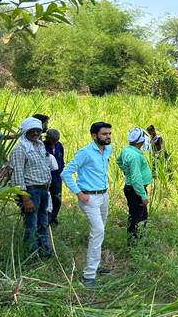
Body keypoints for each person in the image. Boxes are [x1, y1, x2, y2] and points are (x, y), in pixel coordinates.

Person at [61, 122, 113, 288]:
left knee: (100, 231)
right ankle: (88, 275)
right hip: (89, 198)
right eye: (104, 134)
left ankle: (97, 266)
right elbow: (66, 173)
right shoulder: (85, 152)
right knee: (98, 231)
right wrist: (79, 193)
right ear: (94, 135)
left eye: (109, 134)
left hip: (103, 195)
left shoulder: (108, 150)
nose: (108, 137)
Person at [9, 117, 53, 257]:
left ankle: (44, 251)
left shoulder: (40, 146)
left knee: (43, 222)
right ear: (25, 131)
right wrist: (25, 198)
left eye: (37, 130)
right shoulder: (20, 149)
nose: (35, 133)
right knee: (31, 225)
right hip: (30, 191)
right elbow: (17, 175)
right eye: (31, 130)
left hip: (43, 190)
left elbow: (45, 166)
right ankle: (30, 255)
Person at [117, 127, 153, 238]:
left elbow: (118, 161)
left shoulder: (126, 149)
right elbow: (136, 179)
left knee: (141, 215)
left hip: (133, 188)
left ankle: (140, 238)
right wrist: (143, 196)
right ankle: (134, 241)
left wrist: (126, 171)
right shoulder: (135, 156)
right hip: (135, 190)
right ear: (141, 141)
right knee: (137, 217)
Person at [44, 129, 64, 226]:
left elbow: (61, 160)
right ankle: (46, 220)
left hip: (57, 177)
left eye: (56, 140)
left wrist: (62, 172)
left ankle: (52, 218)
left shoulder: (59, 145)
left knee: (57, 199)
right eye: (52, 140)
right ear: (47, 138)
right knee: (47, 199)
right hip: (46, 177)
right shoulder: (42, 146)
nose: (54, 143)